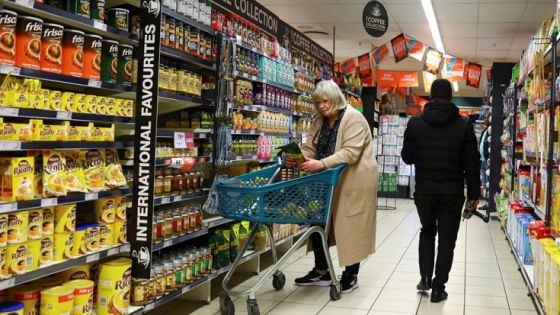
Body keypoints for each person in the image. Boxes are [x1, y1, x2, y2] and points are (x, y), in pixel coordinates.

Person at [285, 80, 377, 294]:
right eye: (317, 102)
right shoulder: (319, 121)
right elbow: (310, 147)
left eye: (325, 101)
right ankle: (322, 270)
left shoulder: (353, 118)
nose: (321, 106)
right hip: (325, 180)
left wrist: (321, 163)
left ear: (336, 98)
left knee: (351, 224)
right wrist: (298, 157)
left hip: (352, 181)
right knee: (317, 222)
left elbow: (350, 153)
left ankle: (351, 274)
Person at [401, 79, 481, 303]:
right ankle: (438, 288)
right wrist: (474, 196)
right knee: (447, 240)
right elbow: (471, 164)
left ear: (429, 96)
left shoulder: (415, 124)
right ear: (451, 98)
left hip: (424, 191)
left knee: (427, 231)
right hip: (452, 193)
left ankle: (425, 277)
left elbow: (407, 157)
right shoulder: (464, 125)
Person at [478, 115, 491, 210]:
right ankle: (486, 201)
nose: (485, 120)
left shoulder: (491, 132)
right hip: (482, 160)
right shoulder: (485, 131)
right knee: (484, 182)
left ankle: (488, 202)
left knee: (488, 182)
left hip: (487, 160)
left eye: (487, 118)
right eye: (485, 119)